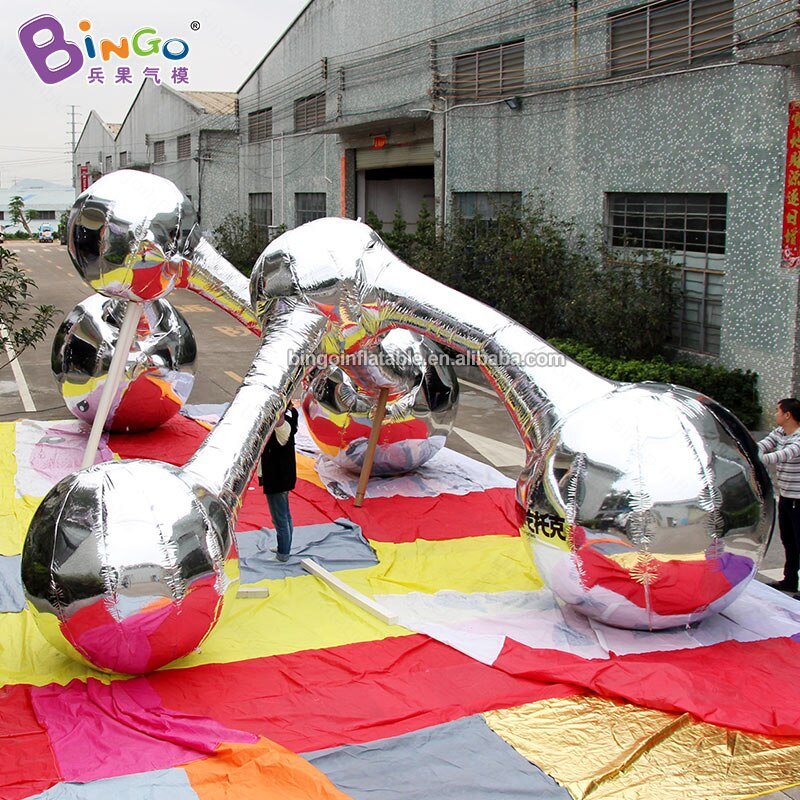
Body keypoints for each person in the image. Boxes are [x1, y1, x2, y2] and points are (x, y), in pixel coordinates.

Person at [758, 398, 800, 598]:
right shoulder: (780, 432)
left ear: (787, 415)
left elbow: (784, 455)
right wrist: (751, 451)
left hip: (799, 499)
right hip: (785, 497)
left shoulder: (798, 438)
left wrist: (757, 460)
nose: (775, 414)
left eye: (777, 410)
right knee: (788, 541)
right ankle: (789, 580)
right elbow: (763, 445)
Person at [259, 402, 299, 562]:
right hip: (283, 478)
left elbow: (278, 419)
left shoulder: (283, 428)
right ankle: (284, 545)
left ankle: (283, 553)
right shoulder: (289, 422)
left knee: (280, 518)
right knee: (285, 515)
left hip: (277, 480)